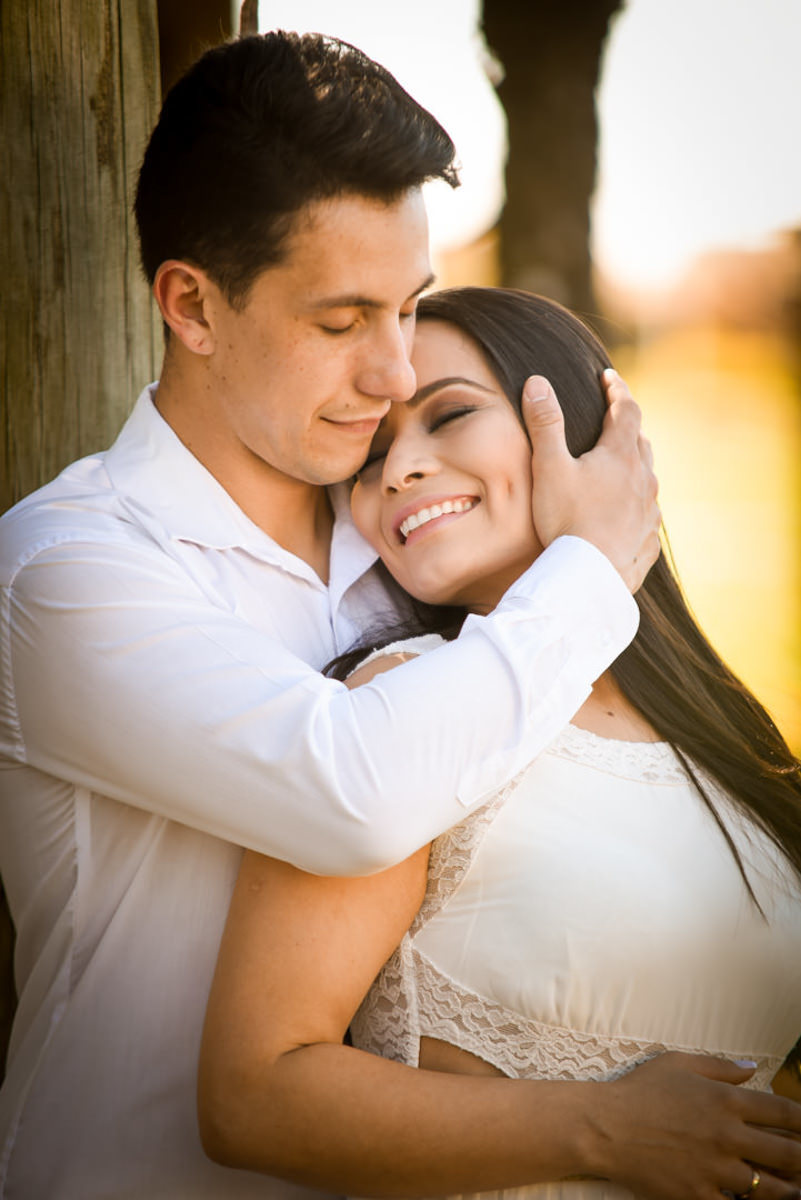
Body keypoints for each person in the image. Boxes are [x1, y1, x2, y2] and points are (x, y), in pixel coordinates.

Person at [0, 29, 668, 1200]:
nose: (396, 374)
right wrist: (590, 572)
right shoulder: (65, 573)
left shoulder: (411, 542)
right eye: (342, 320)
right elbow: (350, 794)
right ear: (192, 307)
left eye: (408, 308)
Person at [198, 288, 801, 1200]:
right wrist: (604, 1127)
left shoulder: (720, 736)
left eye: (449, 414)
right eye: (367, 457)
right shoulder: (398, 705)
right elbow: (253, 1096)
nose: (397, 467)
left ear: (590, 429)